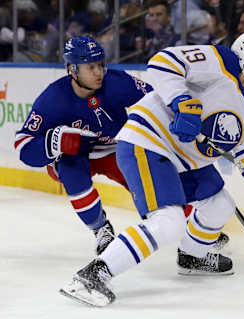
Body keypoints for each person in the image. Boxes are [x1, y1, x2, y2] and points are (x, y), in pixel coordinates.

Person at [59, 31, 244, 307]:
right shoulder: (222, 62)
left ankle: (192, 256)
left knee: (220, 205)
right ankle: (93, 275)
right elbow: (162, 62)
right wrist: (181, 101)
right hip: (148, 143)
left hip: (184, 162)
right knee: (169, 222)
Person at [14, 35, 152, 255]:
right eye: (90, 67)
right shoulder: (53, 98)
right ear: (73, 70)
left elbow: (156, 99)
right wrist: (55, 142)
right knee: (71, 172)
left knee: (148, 181)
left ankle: (182, 225)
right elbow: (23, 146)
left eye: (100, 65)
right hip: (76, 155)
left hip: (115, 149)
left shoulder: (116, 82)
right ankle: (101, 230)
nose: (98, 72)